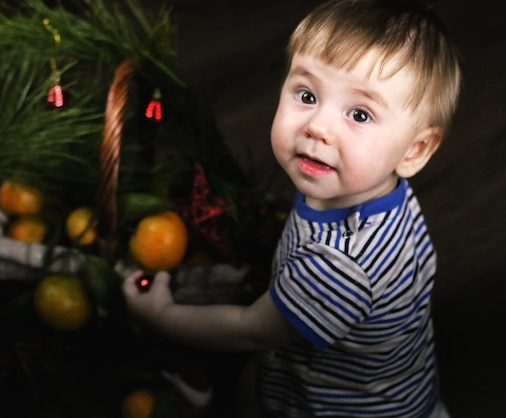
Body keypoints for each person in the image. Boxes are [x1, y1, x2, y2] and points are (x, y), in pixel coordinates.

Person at [122, 0, 462, 416]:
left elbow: (251, 331)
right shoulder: (378, 189)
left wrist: (163, 315)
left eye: (359, 113)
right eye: (306, 94)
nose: (318, 126)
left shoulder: (339, 264)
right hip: (391, 383)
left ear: (415, 149)